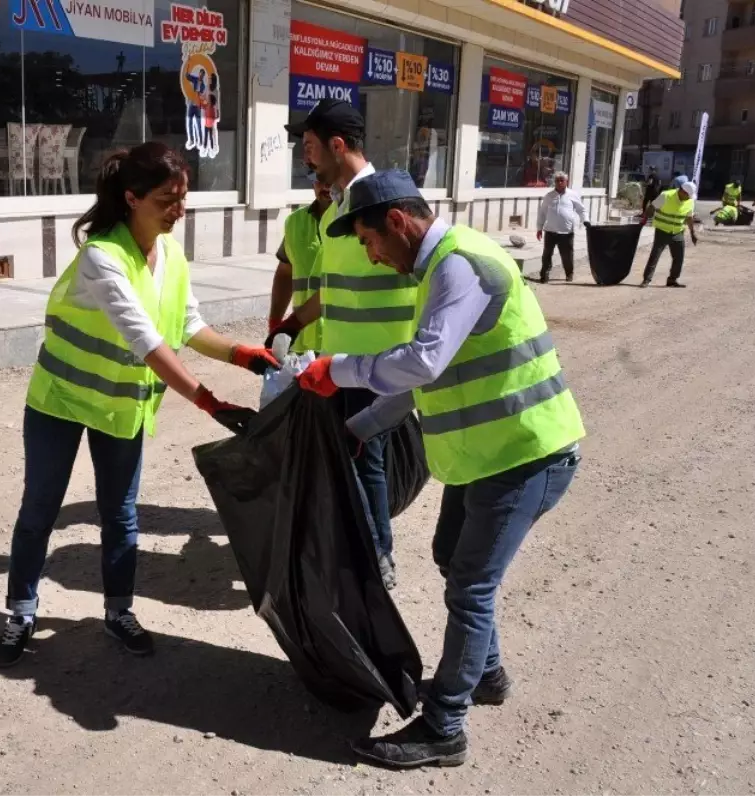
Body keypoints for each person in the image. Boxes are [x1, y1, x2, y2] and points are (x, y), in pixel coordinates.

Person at [294, 169, 584, 769]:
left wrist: (337, 368)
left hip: (527, 454)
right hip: (491, 455)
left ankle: (445, 725)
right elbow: (435, 374)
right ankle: (487, 675)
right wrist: (360, 428)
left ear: (398, 222)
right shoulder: (438, 271)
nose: (372, 257)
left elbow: (422, 363)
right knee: (453, 559)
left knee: (472, 584)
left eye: (371, 241)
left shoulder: (458, 265)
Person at [0, 142, 279, 667]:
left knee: (120, 515)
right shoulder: (102, 256)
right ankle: (21, 612)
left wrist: (241, 354)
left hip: (120, 406)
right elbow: (145, 339)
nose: (180, 209)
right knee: (40, 511)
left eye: (184, 196)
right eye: (167, 200)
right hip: (60, 401)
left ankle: (118, 611)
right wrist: (208, 402)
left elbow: (187, 324)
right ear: (132, 198)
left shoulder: (170, 254)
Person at [269, 99, 418, 589]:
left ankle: (377, 557)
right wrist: (292, 323)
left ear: (337, 145)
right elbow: (332, 291)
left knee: (364, 461)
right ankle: (363, 550)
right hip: (343, 363)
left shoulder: (384, 200)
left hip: (382, 362)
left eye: (311, 147)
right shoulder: (337, 206)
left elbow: (426, 269)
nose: (306, 158)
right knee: (352, 460)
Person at [268, 174, 332, 353]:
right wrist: (275, 323)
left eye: (329, 181)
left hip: (340, 344)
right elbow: (285, 273)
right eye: (319, 181)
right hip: (302, 343)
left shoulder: (356, 222)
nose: (325, 187)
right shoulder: (295, 222)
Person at [640, 180, 698, 288]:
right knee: (655, 256)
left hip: (678, 232)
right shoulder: (665, 195)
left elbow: (689, 217)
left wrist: (692, 233)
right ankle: (646, 280)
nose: (690, 198)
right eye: (688, 196)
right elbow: (651, 208)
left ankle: (672, 279)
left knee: (679, 257)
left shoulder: (690, 201)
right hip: (662, 230)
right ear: (682, 192)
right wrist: (644, 220)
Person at [535, 171, 590, 283]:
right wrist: (539, 228)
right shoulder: (549, 196)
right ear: (554, 182)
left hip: (566, 232)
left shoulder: (572, 195)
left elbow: (581, 209)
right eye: (557, 180)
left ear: (566, 182)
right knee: (547, 255)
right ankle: (544, 275)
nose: (559, 182)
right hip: (550, 231)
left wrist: (586, 221)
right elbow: (542, 213)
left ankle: (569, 274)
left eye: (562, 180)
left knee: (567, 256)